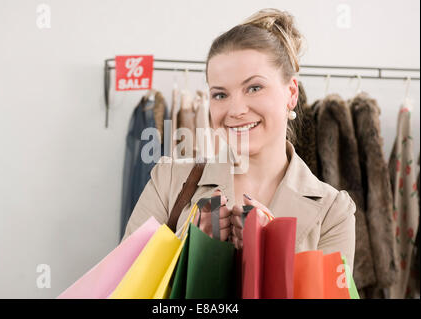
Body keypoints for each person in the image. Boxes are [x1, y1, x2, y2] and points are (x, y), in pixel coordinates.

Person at [122, 8, 356, 272]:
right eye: (220, 95)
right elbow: (124, 285)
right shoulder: (168, 180)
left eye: (254, 88)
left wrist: (270, 255)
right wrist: (192, 248)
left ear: (291, 92)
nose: (235, 110)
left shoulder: (333, 212)